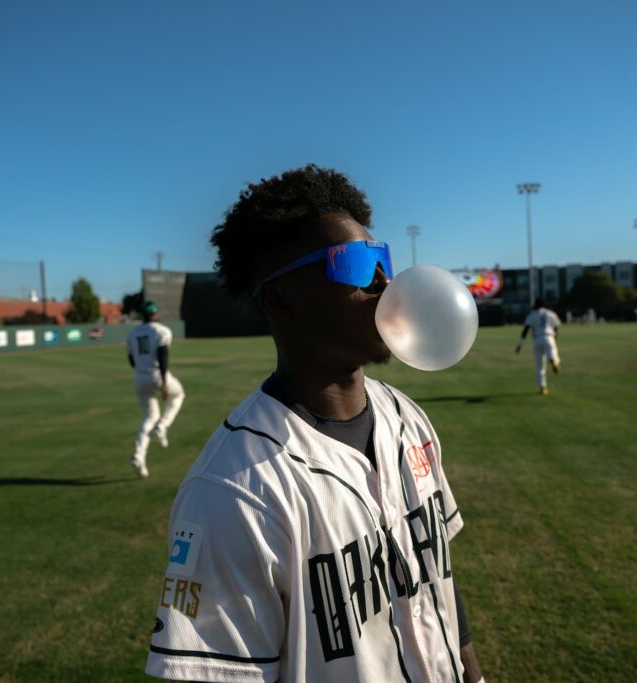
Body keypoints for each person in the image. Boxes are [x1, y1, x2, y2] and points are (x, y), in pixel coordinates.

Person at [145, 165, 486, 682]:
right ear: (281, 299)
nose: (382, 280)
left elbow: (437, 578)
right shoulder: (232, 491)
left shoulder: (409, 420)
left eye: (381, 257)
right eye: (353, 262)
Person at [127, 300, 185, 478]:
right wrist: (164, 383)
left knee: (149, 417)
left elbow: (131, 360)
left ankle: (139, 456)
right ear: (155, 314)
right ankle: (162, 426)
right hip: (157, 375)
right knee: (178, 395)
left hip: (139, 377)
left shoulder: (132, 333)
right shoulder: (162, 331)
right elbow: (163, 356)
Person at [515, 297, 561, 395]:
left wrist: (520, 344)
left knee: (540, 366)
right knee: (553, 352)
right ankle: (553, 360)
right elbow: (556, 327)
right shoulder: (550, 313)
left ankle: (543, 387)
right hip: (549, 336)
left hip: (537, 338)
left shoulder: (532, 314)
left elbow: (526, 330)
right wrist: (555, 335)